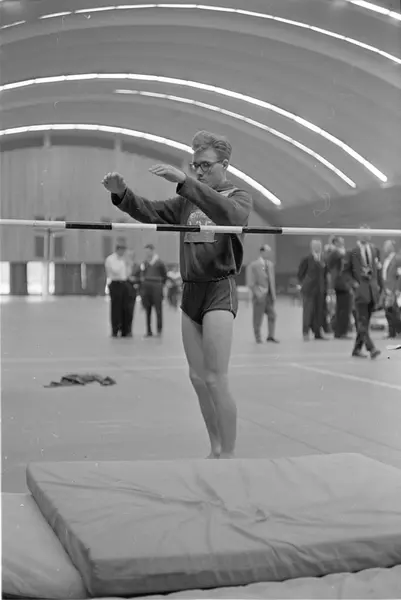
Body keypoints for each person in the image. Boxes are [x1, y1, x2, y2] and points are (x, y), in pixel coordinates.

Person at [102, 130, 252, 459]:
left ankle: (229, 455)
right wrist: (122, 194)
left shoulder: (239, 197)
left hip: (218, 289)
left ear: (225, 165)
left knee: (216, 378)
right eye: (195, 165)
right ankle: (215, 448)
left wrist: (186, 181)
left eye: (206, 165)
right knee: (197, 378)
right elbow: (150, 211)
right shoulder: (186, 201)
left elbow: (230, 215)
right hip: (190, 292)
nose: (199, 171)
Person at [343, 226, 382, 359]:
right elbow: (345, 272)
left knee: (365, 323)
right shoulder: (352, 252)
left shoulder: (375, 250)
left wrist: (379, 287)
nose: (367, 235)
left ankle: (356, 349)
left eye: (368, 233)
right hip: (360, 292)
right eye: (364, 233)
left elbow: (378, 270)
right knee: (362, 321)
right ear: (358, 236)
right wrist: (354, 284)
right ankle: (371, 348)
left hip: (372, 291)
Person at [297, 239, 328, 340]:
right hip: (308, 290)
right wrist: (305, 283)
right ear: (312, 247)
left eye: (319, 245)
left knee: (319, 311)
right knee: (308, 311)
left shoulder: (323, 259)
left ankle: (317, 332)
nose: (318, 247)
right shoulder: (306, 259)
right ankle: (305, 332)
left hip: (320, 289)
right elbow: (300, 274)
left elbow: (325, 274)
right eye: (316, 246)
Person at [248, 245, 278, 343]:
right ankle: (258, 337)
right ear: (262, 252)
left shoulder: (270, 265)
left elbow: (272, 281)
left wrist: (273, 294)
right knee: (258, 318)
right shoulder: (254, 265)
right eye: (267, 252)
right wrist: (258, 293)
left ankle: (271, 336)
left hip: (269, 296)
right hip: (260, 296)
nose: (269, 254)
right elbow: (251, 282)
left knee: (272, 315)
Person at [325, 236, 352, 339]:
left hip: (344, 283)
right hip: (340, 284)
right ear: (336, 242)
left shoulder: (341, 252)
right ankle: (340, 332)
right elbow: (330, 266)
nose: (343, 242)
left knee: (345, 308)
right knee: (342, 309)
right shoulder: (334, 253)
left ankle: (342, 331)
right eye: (341, 241)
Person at [105, 241, 132, 337]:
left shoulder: (124, 259)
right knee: (116, 308)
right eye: (122, 250)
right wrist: (123, 262)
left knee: (126, 308)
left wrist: (128, 264)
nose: (123, 252)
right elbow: (115, 270)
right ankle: (115, 330)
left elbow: (128, 273)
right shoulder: (111, 259)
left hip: (124, 283)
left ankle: (125, 330)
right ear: (117, 250)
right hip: (115, 284)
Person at [140, 244, 167, 337]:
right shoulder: (145, 263)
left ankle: (159, 329)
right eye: (146, 252)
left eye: (148, 251)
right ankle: (148, 330)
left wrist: (161, 285)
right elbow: (142, 274)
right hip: (147, 286)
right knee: (147, 309)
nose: (147, 254)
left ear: (152, 251)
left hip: (157, 286)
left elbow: (164, 275)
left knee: (158, 309)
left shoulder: (159, 263)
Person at [381, 240, 401, 339]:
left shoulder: (397, 259)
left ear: (390, 247)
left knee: (394, 311)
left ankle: (397, 331)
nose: (384, 248)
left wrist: (397, 289)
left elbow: (399, 275)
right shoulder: (386, 259)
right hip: (386, 289)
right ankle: (391, 332)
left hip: (392, 289)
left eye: (386, 246)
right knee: (388, 311)